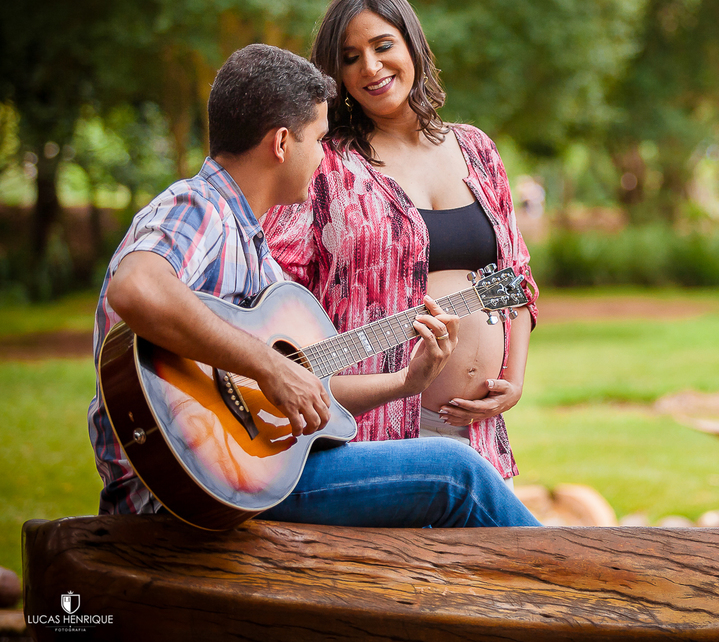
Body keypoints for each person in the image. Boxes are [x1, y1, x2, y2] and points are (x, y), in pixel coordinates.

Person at [87, 43, 539, 527]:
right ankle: (571, 585)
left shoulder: (257, 254)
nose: (325, 156)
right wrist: (268, 367)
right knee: (457, 474)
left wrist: (407, 383)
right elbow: (135, 288)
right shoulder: (200, 208)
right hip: (191, 480)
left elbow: (308, 384)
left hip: (237, 473)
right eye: (319, 139)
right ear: (282, 143)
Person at [264, 0, 537, 485]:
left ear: (412, 43)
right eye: (350, 57)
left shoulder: (476, 149)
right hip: (374, 434)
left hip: (478, 433)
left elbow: (516, 277)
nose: (370, 67)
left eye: (383, 45)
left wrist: (513, 379)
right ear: (336, 75)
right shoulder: (326, 167)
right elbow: (268, 281)